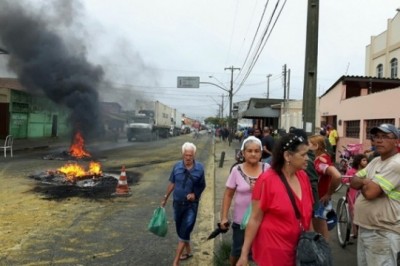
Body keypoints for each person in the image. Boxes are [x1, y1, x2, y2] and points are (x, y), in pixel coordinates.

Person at [237, 133, 314, 266]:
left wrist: (313, 240)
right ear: (287, 156)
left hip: (301, 250)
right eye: (303, 155)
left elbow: (307, 216)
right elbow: (255, 218)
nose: (307, 159)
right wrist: (244, 254)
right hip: (274, 251)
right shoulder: (267, 181)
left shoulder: (303, 177)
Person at [350, 123, 400, 266]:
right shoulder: (376, 161)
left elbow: (370, 193)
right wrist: (367, 181)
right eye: (376, 137)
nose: (378, 140)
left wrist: (364, 182)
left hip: (383, 232)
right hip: (368, 228)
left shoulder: (396, 163)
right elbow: (353, 180)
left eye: (384, 137)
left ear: (397, 141)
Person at [219, 136, 270, 266]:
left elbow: (275, 194)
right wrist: (224, 217)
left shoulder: (267, 169)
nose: (253, 154)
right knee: (237, 251)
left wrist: (260, 189)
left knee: (260, 252)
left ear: (261, 153)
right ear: (243, 153)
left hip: (263, 220)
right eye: (249, 151)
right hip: (240, 221)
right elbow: (228, 195)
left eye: (257, 151)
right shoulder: (236, 170)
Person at [161, 142, 206, 266]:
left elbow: (202, 185)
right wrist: (165, 198)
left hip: (191, 205)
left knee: (185, 230)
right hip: (177, 204)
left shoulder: (200, 168)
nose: (188, 158)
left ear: (194, 155)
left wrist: (194, 194)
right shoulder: (176, 167)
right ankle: (189, 251)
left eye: (190, 155)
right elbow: (172, 183)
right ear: (182, 155)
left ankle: (175, 262)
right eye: (186, 155)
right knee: (180, 229)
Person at [308, 135, 342, 240]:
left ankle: (324, 255)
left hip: (321, 201)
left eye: (308, 144)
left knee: (321, 234)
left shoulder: (320, 161)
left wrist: (328, 194)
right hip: (320, 199)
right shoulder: (322, 157)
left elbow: (337, 176)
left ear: (316, 146)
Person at [342, 153, 368, 238]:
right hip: (353, 193)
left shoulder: (367, 170)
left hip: (364, 193)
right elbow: (345, 179)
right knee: (353, 212)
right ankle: (355, 232)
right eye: (363, 160)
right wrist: (351, 179)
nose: (366, 162)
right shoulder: (352, 171)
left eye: (366, 160)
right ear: (358, 161)